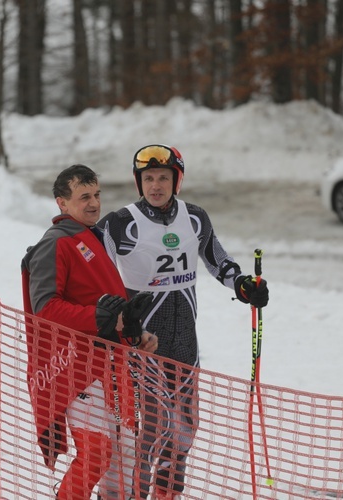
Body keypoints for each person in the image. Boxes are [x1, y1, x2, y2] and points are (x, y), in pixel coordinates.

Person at [98, 144, 269, 499]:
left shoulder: (194, 217)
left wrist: (242, 284)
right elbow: (87, 262)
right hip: (144, 342)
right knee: (154, 427)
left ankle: (168, 493)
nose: (155, 185)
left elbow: (216, 258)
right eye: (148, 178)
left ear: (177, 180)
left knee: (186, 430)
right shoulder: (122, 222)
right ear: (138, 182)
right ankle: (134, 494)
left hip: (186, 344)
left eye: (163, 177)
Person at [22, 163, 159, 500]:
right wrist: (97, 317)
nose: (94, 203)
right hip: (79, 369)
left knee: (126, 452)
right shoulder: (55, 243)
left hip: (114, 364)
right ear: (62, 203)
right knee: (96, 453)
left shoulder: (91, 238)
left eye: (96, 195)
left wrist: (134, 330)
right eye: (84, 197)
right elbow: (45, 308)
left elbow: (105, 306)